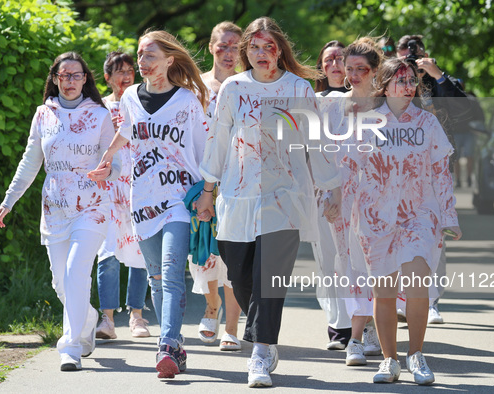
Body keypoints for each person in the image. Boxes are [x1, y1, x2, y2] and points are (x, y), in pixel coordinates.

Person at [195, 17, 342, 388]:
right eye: (255, 48)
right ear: (247, 51)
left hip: (285, 196)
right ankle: (263, 331)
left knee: (269, 279)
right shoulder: (232, 88)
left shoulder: (298, 88)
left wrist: (331, 187)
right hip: (237, 195)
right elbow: (218, 142)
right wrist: (208, 193)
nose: (262, 54)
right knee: (240, 274)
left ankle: (261, 351)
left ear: (280, 51)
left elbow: (316, 142)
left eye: (269, 47)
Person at [88, 30, 209, 379]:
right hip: (142, 200)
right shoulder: (128, 98)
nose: (142, 62)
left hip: (179, 200)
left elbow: (203, 149)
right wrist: (108, 159)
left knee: (171, 272)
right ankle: (177, 346)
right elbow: (125, 131)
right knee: (156, 277)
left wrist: (209, 194)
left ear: (170, 60)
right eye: (140, 55)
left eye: (150, 55)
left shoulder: (187, 100)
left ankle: (167, 344)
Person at [0, 52, 119, 371]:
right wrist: (9, 200)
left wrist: (110, 171)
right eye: (65, 76)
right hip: (54, 208)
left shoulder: (100, 115)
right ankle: (88, 318)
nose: (71, 82)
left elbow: (117, 160)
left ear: (86, 79)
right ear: (55, 79)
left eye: (77, 76)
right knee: (61, 283)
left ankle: (71, 346)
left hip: (92, 206)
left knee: (77, 271)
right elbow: (30, 161)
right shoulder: (43, 114)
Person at [350, 57, 461, 385]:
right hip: (376, 217)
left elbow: (441, 173)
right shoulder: (367, 123)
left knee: (417, 285)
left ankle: (416, 355)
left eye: (412, 80)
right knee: (383, 292)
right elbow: (348, 167)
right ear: (384, 85)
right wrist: (332, 199)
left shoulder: (428, 124)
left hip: (420, 215)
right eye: (401, 80)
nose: (408, 87)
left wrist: (448, 216)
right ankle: (389, 360)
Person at [396, 34, 470, 324]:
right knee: (401, 233)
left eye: (417, 55)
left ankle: (431, 299)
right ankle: (404, 296)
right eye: (405, 54)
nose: (412, 60)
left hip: (437, 166)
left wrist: (437, 75)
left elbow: (465, 110)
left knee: (435, 234)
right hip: (399, 168)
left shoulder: (442, 82)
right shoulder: (394, 80)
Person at [192, 21, 243, 351]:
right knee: (202, 256)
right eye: (222, 46)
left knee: (234, 256)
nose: (228, 52)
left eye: (235, 47)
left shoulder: (246, 86)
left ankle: (232, 328)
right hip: (200, 179)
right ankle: (211, 306)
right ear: (211, 47)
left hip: (239, 180)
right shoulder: (195, 86)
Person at [333, 37, 384, 367]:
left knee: (377, 267)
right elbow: (326, 155)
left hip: (381, 198)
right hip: (343, 196)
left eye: (360, 69)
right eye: (348, 68)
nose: (352, 74)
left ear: (375, 71)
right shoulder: (334, 107)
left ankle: (368, 332)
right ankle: (356, 336)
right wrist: (327, 194)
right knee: (349, 267)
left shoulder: (388, 106)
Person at [94, 51, 150, 341]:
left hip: (139, 185)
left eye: (130, 70)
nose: (126, 76)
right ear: (107, 77)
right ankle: (107, 319)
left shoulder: (143, 104)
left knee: (140, 250)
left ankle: (137, 315)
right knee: (108, 252)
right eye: (119, 71)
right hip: (108, 191)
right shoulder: (100, 108)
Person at [311, 39, 352, 352]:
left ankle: (362, 321)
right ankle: (338, 323)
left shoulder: (364, 99)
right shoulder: (312, 101)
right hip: (321, 187)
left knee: (358, 257)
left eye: (341, 58)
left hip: (357, 187)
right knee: (327, 258)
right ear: (321, 67)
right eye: (329, 60)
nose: (335, 64)